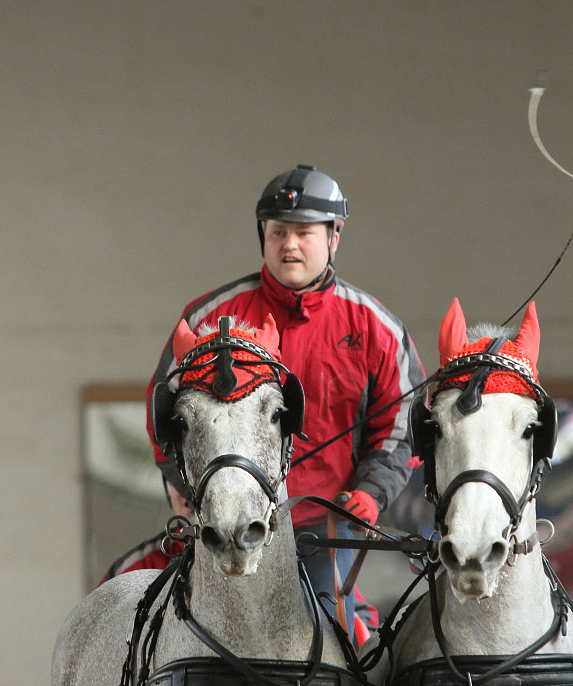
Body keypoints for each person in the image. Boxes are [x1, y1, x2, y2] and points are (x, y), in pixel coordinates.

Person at [144, 164, 424, 640]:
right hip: (224, 521)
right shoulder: (209, 318)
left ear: (334, 237)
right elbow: (167, 419)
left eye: (303, 233)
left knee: (348, 642)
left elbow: (401, 425)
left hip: (325, 523)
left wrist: (372, 494)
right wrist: (189, 488)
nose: (289, 245)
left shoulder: (377, 328)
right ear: (263, 237)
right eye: (277, 233)